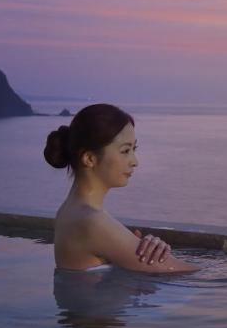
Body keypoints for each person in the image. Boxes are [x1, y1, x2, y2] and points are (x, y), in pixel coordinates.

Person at [44, 103, 199, 273]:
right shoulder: (92, 222)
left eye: (134, 149)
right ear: (89, 158)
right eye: (125, 151)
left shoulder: (69, 212)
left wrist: (129, 246)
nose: (135, 161)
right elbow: (188, 275)